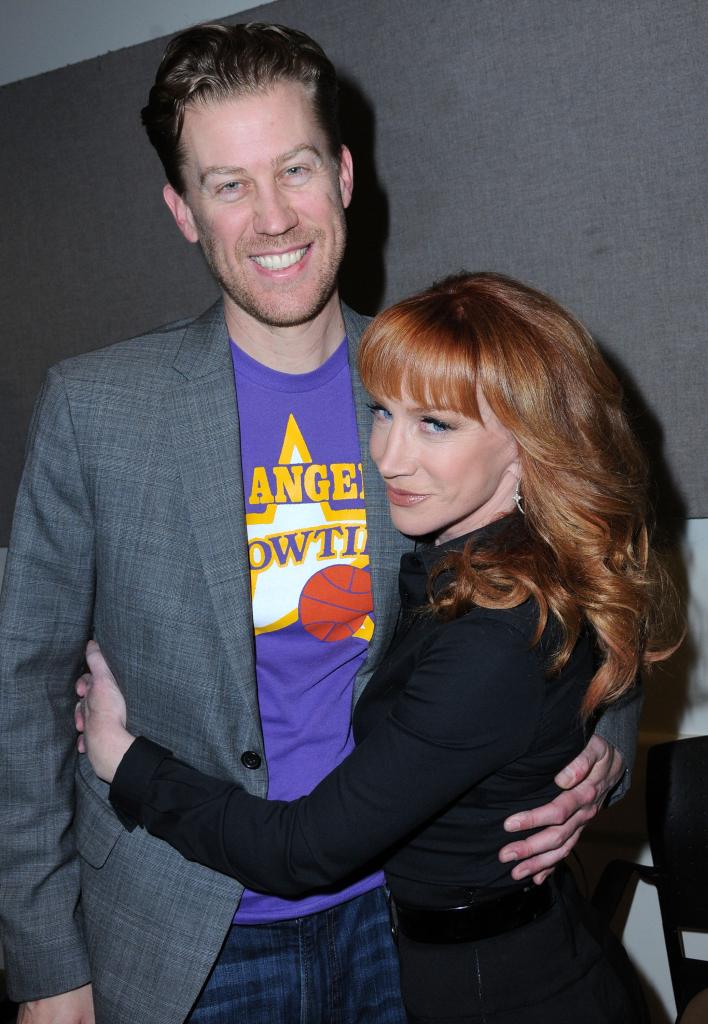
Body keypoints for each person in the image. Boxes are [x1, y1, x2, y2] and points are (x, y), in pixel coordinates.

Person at [0, 22, 637, 1024]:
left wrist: (605, 735)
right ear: (182, 210)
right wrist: (44, 963)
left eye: (293, 168)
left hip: (401, 925)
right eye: (227, 184)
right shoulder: (96, 409)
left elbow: (588, 542)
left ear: (342, 173)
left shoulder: (434, 384)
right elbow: (23, 686)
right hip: (185, 942)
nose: (271, 218)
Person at [76, 271, 678, 1023]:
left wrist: (123, 760)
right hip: (475, 956)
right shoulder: (487, 564)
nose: (389, 456)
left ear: (528, 446)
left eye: (437, 425)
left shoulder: (497, 638)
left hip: (500, 992)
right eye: (384, 411)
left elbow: (299, 852)